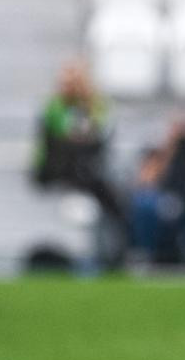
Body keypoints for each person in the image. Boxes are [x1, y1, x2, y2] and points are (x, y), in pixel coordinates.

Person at [32, 59, 128, 268]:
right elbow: (62, 139)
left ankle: (116, 253)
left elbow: (98, 136)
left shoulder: (94, 106)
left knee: (115, 200)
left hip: (86, 171)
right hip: (59, 169)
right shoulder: (55, 108)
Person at [129, 118, 185, 266]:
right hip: (162, 198)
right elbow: (145, 181)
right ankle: (145, 251)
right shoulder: (161, 153)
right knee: (144, 203)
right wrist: (170, 149)